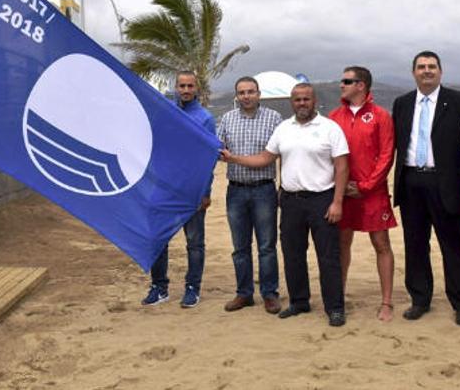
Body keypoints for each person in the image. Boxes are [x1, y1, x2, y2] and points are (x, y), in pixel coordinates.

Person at [222, 83, 350, 326]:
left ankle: (334, 307)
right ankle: (300, 302)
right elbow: (265, 158)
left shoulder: (330, 128)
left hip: (322, 199)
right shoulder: (283, 128)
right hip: (290, 200)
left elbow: (342, 166)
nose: (302, 103)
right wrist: (234, 158)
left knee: (328, 257)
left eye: (306, 99)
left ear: (314, 101)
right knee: (292, 254)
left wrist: (337, 202)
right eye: (297, 100)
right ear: (292, 102)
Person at [392, 51, 460, 326]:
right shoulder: (402, 104)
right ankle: (420, 299)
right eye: (421, 67)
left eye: (431, 66)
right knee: (415, 244)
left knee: (455, 245)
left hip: (447, 182)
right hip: (412, 181)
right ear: (413, 72)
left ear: (440, 71)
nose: (426, 71)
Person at [328, 66, 398, 322]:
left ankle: (387, 302)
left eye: (346, 81)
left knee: (381, 244)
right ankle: (339, 296)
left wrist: (366, 186)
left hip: (373, 193)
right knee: (342, 243)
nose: (341, 85)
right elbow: (329, 155)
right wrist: (340, 185)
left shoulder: (380, 116)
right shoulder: (334, 116)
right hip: (343, 193)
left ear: (361, 85)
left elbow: (387, 154)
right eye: (342, 80)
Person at [141, 71, 215, 309]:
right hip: (163, 189)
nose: (185, 90)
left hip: (191, 191)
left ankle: (192, 288)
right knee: (157, 238)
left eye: (190, 86)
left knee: (194, 242)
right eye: (181, 85)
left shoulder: (205, 118)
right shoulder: (165, 114)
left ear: (196, 88)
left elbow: (209, 158)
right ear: (176, 87)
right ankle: (159, 287)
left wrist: (205, 192)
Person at [217, 76, 283, 314]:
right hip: (235, 190)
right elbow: (215, 148)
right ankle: (244, 294)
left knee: (266, 246)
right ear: (237, 95)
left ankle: (269, 294)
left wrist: (233, 158)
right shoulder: (227, 119)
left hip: (264, 189)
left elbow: (277, 155)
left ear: (259, 93)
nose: (246, 96)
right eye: (242, 92)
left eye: (250, 91)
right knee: (240, 247)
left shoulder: (274, 118)